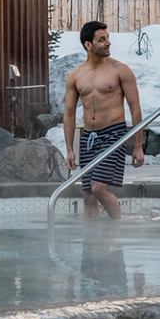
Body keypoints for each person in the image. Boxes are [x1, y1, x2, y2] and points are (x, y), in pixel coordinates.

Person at [62, 20, 145, 220]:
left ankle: (117, 229)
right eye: (102, 40)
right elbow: (70, 113)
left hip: (113, 135)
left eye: (108, 38)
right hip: (89, 137)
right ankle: (92, 243)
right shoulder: (76, 76)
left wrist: (138, 145)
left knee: (99, 188)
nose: (108, 43)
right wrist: (70, 149)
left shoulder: (120, 70)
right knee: (88, 194)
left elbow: (135, 109)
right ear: (88, 45)